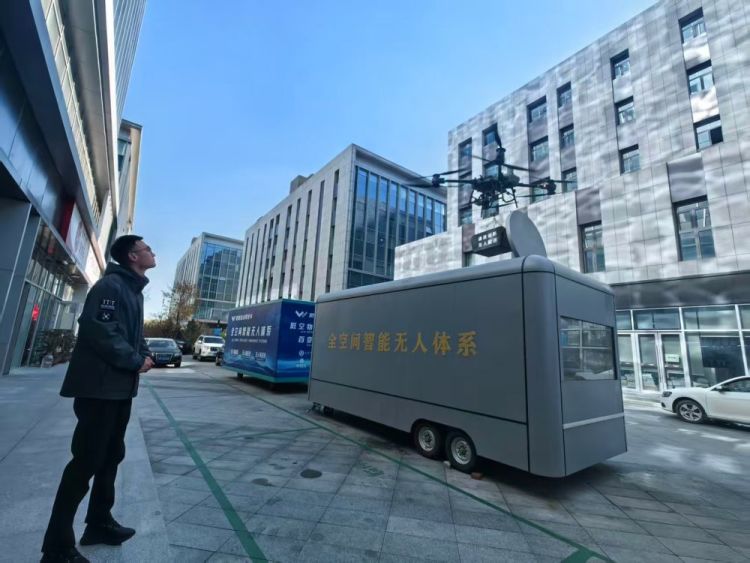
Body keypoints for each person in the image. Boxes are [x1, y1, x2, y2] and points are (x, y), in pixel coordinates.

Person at [41, 235, 156, 563]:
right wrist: (135, 360)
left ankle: (99, 524)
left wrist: (144, 353)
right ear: (133, 256)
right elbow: (99, 331)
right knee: (86, 461)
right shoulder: (110, 287)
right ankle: (56, 547)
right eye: (147, 249)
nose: (152, 252)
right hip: (99, 390)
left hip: (119, 389)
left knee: (111, 456)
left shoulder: (132, 291)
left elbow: (132, 335)